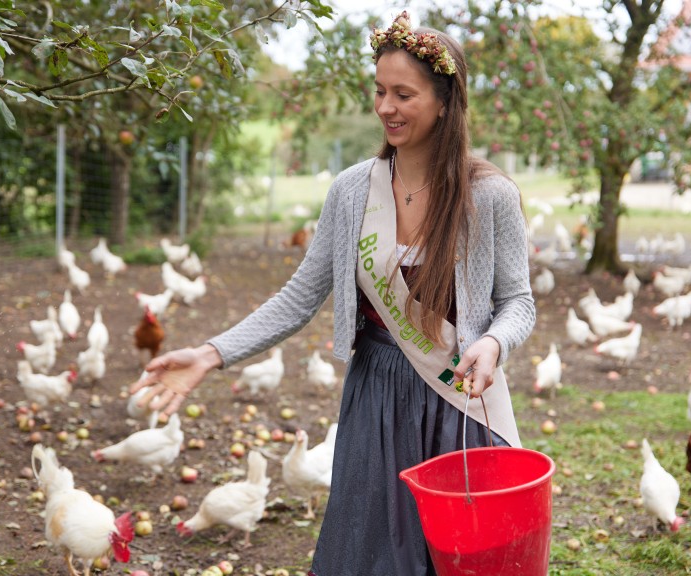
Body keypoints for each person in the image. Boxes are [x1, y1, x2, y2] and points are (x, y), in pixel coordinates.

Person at [130, 11, 535, 576]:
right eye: (379, 91)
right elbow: (300, 296)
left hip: (456, 401)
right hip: (374, 399)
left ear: (445, 102)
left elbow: (519, 301)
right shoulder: (351, 192)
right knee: (370, 557)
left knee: (459, 558)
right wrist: (209, 354)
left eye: (403, 94)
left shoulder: (488, 196)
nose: (386, 107)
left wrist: (492, 343)